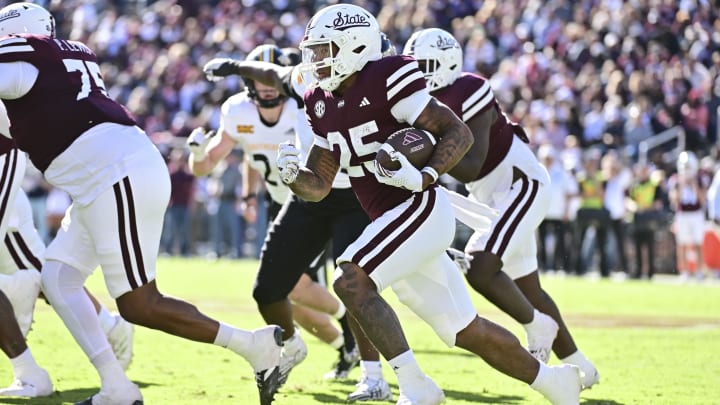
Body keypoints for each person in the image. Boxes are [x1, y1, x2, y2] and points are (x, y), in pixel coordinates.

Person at [277, 4, 582, 404]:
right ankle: (555, 382)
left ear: (354, 46)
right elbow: (319, 185)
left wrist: (425, 175)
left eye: (324, 50)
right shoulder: (319, 99)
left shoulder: (385, 76)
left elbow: (457, 132)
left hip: (419, 207)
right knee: (463, 329)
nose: (316, 61)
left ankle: (415, 386)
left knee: (350, 279)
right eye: (313, 51)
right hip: (390, 221)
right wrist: (293, 176)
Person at [0, 3, 282, 405]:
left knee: (139, 304)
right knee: (58, 279)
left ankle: (255, 346)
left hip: (115, 176)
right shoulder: (62, 55)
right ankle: (116, 387)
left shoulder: (24, 54)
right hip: (105, 177)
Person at [399, 26, 598, 390]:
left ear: (446, 62)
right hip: (490, 196)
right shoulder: (419, 100)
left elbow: (471, 164)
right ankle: (581, 366)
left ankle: (537, 325)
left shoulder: (468, 88)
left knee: (480, 265)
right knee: (528, 288)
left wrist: (426, 154)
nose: (417, 71)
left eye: (423, 64)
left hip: (519, 184)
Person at [193, 44, 363, 383]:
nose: (267, 87)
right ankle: (344, 345)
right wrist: (201, 156)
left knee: (296, 289)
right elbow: (241, 157)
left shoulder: (303, 104)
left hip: (317, 198)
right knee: (282, 296)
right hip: (280, 203)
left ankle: (347, 325)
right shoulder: (237, 112)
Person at [668, 151, 707, 280]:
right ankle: (684, 271)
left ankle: (699, 271)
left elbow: (702, 200)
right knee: (682, 243)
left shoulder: (700, 178)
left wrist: (694, 184)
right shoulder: (676, 179)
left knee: (698, 243)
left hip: (696, 214)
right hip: (682, 214)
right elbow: (674, 200)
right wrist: (682, 184)